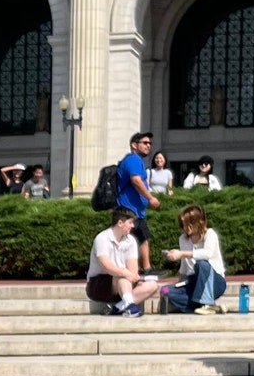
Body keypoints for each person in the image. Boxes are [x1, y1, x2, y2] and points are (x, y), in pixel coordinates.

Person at [86, 208, 162, 317]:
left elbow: (133, 269)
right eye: (130, 222)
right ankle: (130, 307)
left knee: (152, 285)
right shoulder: (102, 238)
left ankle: (118, 307)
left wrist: (135, 279)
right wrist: (126, 274)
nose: (133, 226)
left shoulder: (130, 241)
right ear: (120, 223)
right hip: (99, 284)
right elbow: (106, 266)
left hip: (124, 287)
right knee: (121, 276)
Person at [160, 204, 226, 312]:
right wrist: (179, 284)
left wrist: (181, 253)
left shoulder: (210, 234)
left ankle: (207, 303)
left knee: (201, 264)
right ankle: (204, 306)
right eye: (183, 225)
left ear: (198, 223)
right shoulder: (183, 239)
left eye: (188, 225)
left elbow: (207, 254)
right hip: (193, 281)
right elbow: (185, 268)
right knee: (166, 291)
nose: (185, 228)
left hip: (214, 281)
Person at [116, 130, 160, 272]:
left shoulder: (136, 161)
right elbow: (135, 181)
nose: (148, 146)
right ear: (134, 145)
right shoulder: (133, 160)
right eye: (145, 143)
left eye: (150, 143)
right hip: (129, 210)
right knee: (134, 239)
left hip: (136, 210)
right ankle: (141, 269)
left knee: (142, 238)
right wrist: (150, 198)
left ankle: (145, 268)